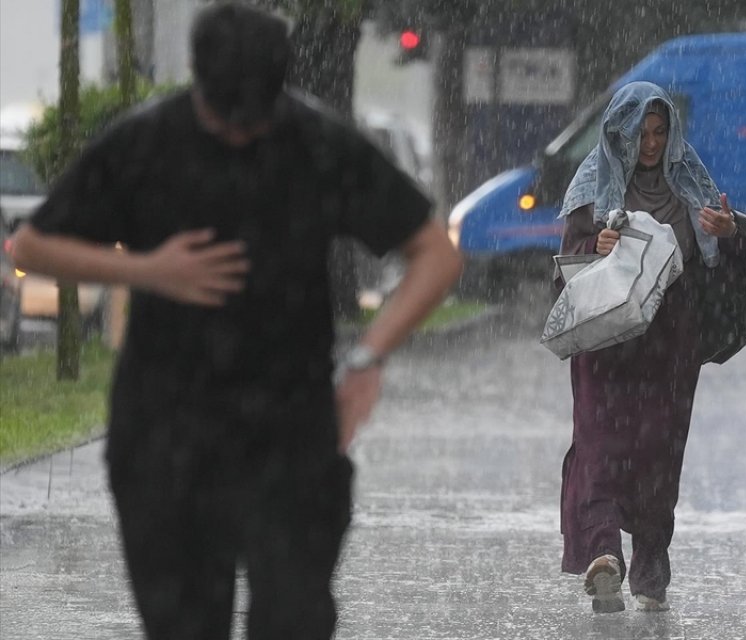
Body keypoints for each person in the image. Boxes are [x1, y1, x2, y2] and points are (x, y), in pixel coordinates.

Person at [10, 3, 462, 638]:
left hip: (290, 429)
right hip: (166, 431)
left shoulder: (318, 143)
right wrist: (148, 271)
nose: (243, 135)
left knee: (294, 617)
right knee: (184, 623)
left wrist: (370, 356)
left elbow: (436, 253)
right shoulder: (145, 143)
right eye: (226, 121)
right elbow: (30, 248)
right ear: (197, 81)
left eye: (257, 119)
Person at [556, 81, 745, 614]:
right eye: (641, 132)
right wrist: (597, 246)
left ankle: (651, 568)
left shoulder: (690, 182)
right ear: (619, 131)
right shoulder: (593, 185)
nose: (652, 144)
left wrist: (728, 233)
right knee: (599, 441)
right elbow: (567, 261)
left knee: (659, 450)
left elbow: (722, 255)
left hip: (669, 342)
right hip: (606, 340)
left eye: (661, 132)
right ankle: (603, 555)